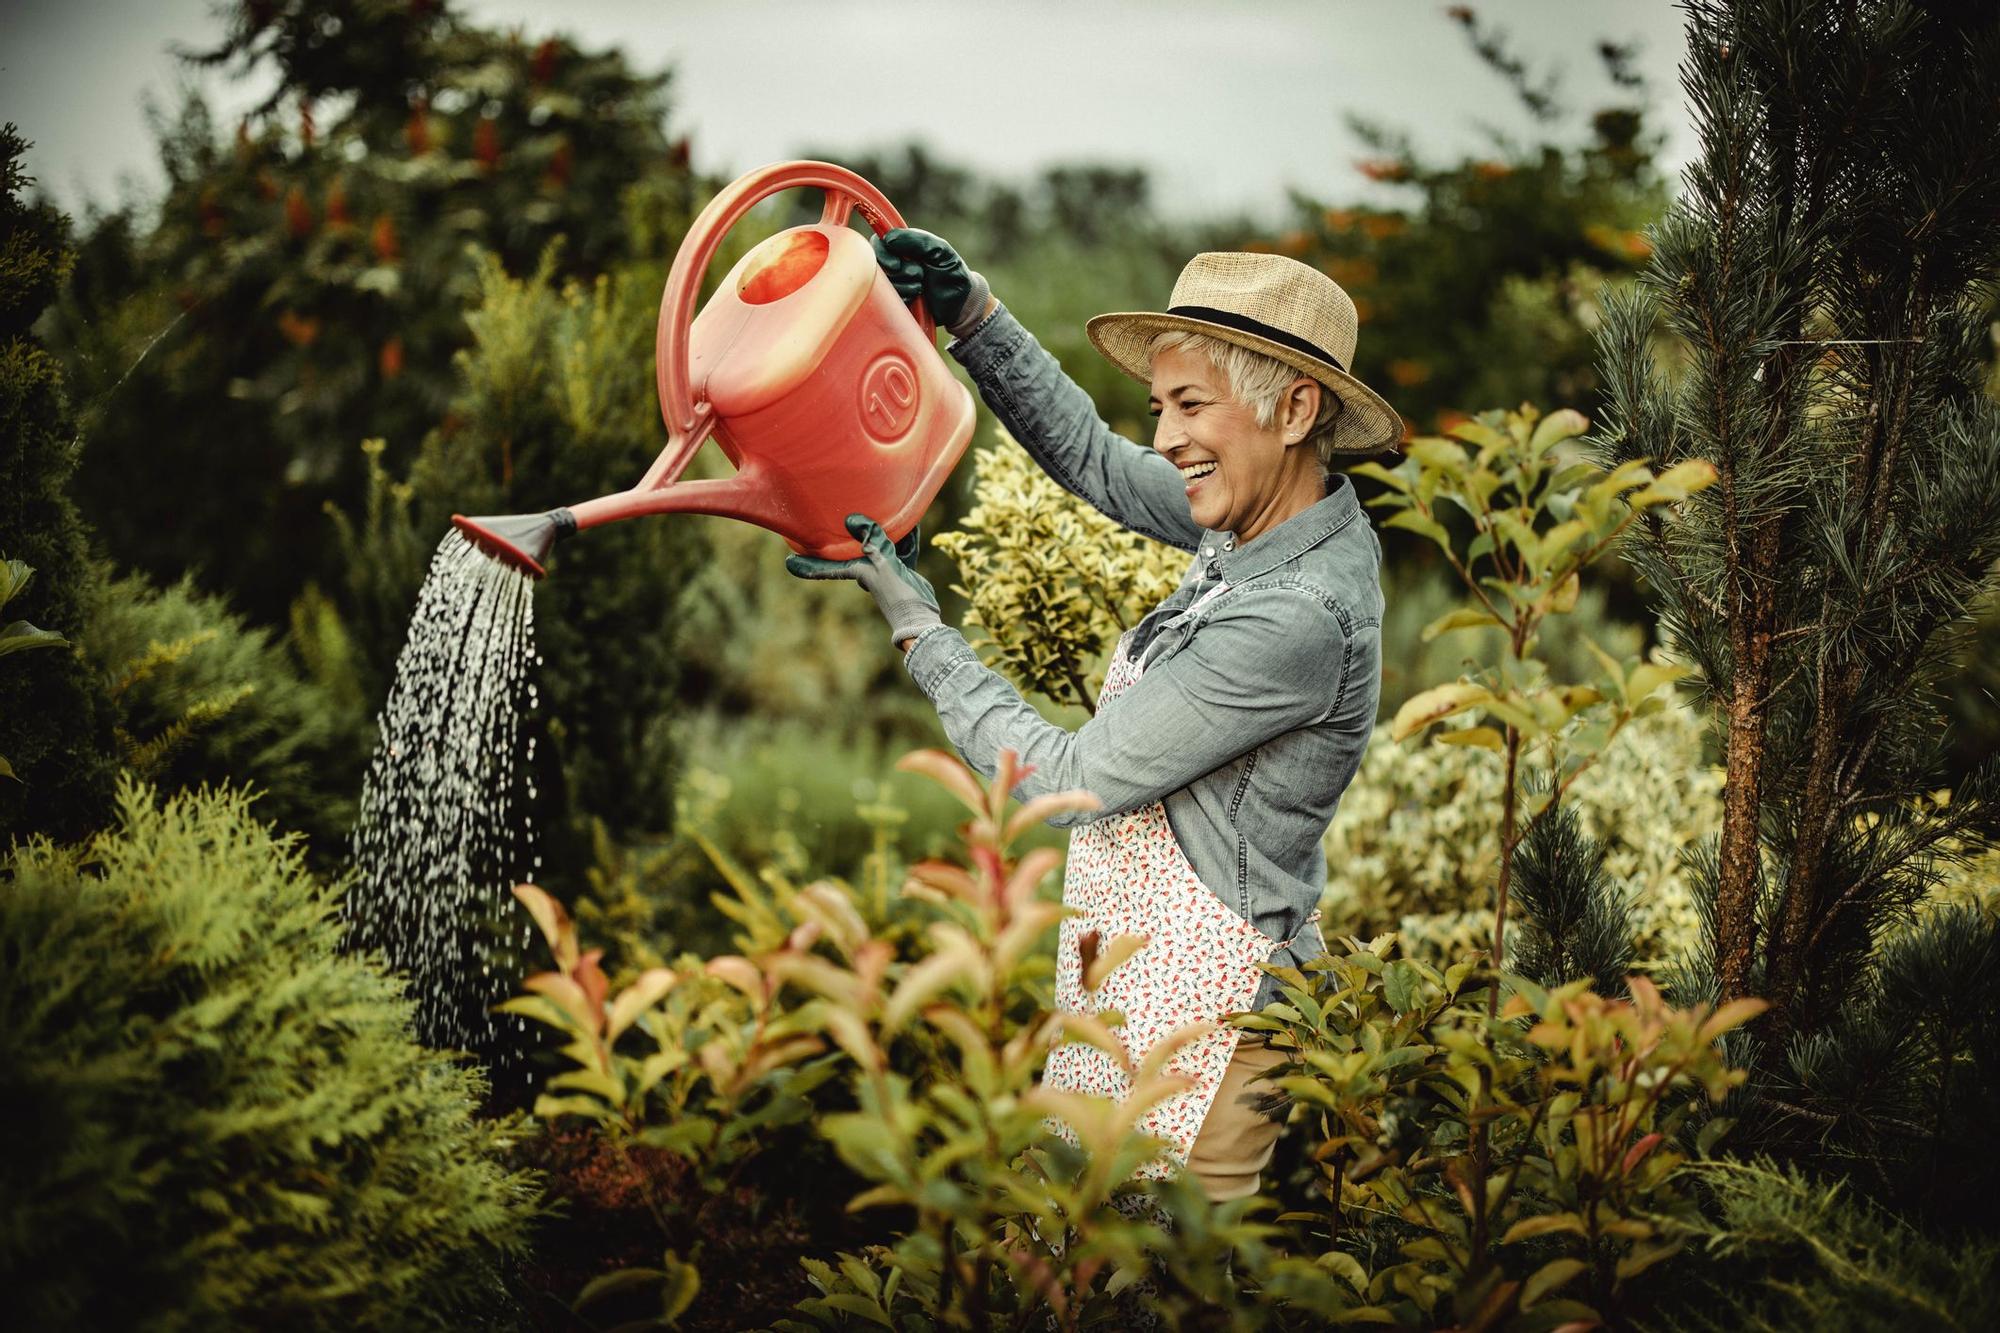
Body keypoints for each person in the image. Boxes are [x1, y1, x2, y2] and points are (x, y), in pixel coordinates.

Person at [788, 231, 1402, 1203]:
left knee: (1147, 1297)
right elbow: (1095, 463)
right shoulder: (1261, 516)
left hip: (1212, 1024)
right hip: (1131, 982)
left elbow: (1060, 783)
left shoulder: (1296, 612)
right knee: (1060, 1276)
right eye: (1161, 406)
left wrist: (916, 625)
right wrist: (972, 315)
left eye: (1190, 405)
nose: (1162, 439)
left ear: (1293, 408)